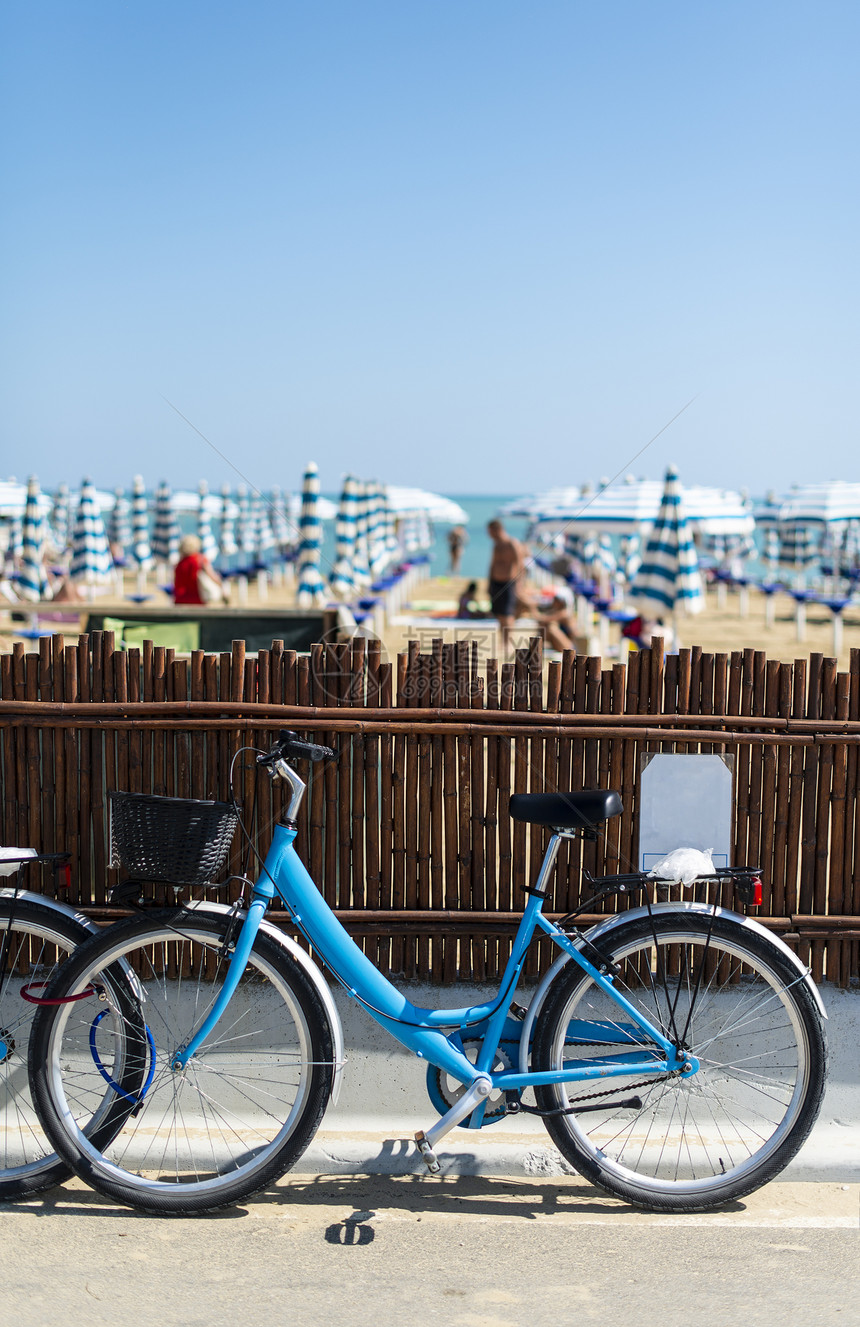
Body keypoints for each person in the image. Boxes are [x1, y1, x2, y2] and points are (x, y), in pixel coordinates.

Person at [487, 519, 526, 652]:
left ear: (497, 529)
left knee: (508, 614)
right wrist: (489, 583)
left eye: (490, 532)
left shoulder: (512, 544)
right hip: (496, 582)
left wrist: (519, 585)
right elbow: (493, 564)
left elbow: (520, 565)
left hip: (509, 582)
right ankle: (502, 641)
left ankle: (509, 643)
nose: (489, 535)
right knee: (499, 614)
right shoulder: (496, 545)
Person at [173, 534, 224, 605]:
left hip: (180, 599)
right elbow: (213, 576)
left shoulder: (179, 564)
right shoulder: (200, 560)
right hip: (198, 600)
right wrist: (222, 586)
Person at [535, 585, 578, 652]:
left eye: (556, 599)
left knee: (552, 628)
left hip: (569, 647)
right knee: (546, 626)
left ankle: (538, 647)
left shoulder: (564, 613)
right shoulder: (556, 611)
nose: (554, 601)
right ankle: (539, 647)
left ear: (562, 602)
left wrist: (532, 608)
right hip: (561, 644)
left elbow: (543, 619)